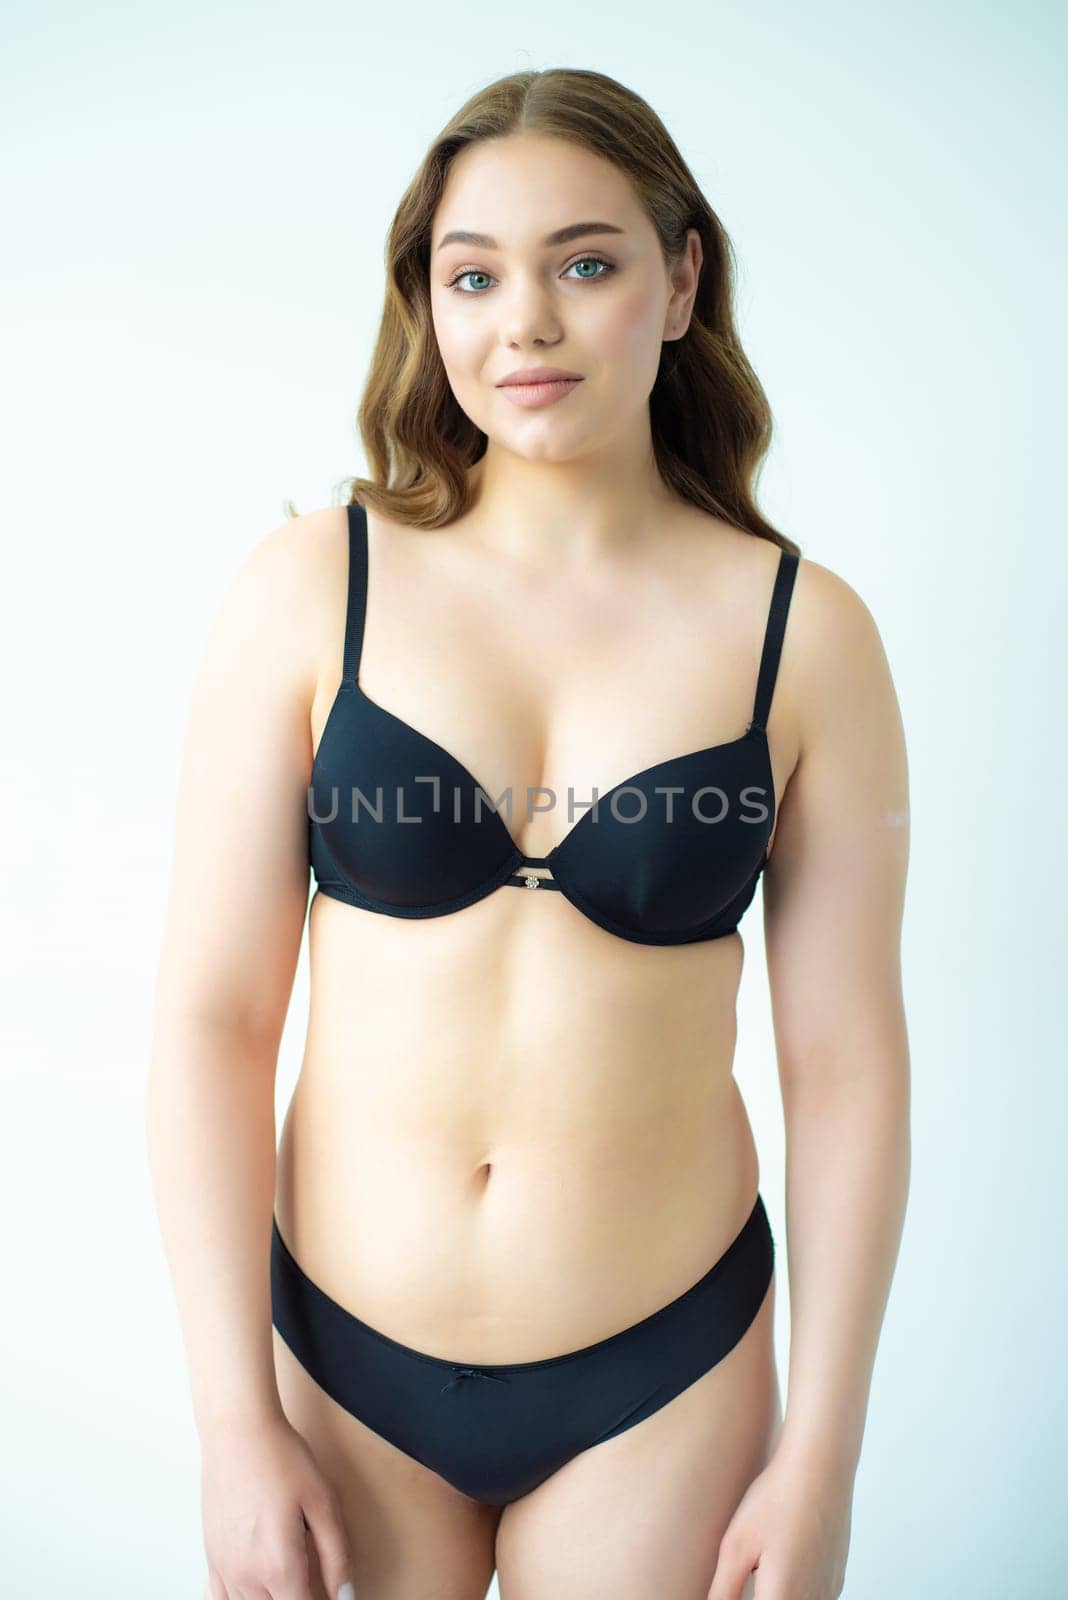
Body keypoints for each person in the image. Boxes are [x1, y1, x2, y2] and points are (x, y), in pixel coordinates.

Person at [146, 66, 911, 1600]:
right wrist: (232, 1424)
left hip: (666, 1377)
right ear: (425, 302)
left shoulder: (801, 632)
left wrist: (822, 1458)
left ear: (681, 278)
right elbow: (214, 1022)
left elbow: (847, 1066)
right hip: (339, 1365)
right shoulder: (312, 589)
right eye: (472, 274)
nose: (527, 325)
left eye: (586, 262)